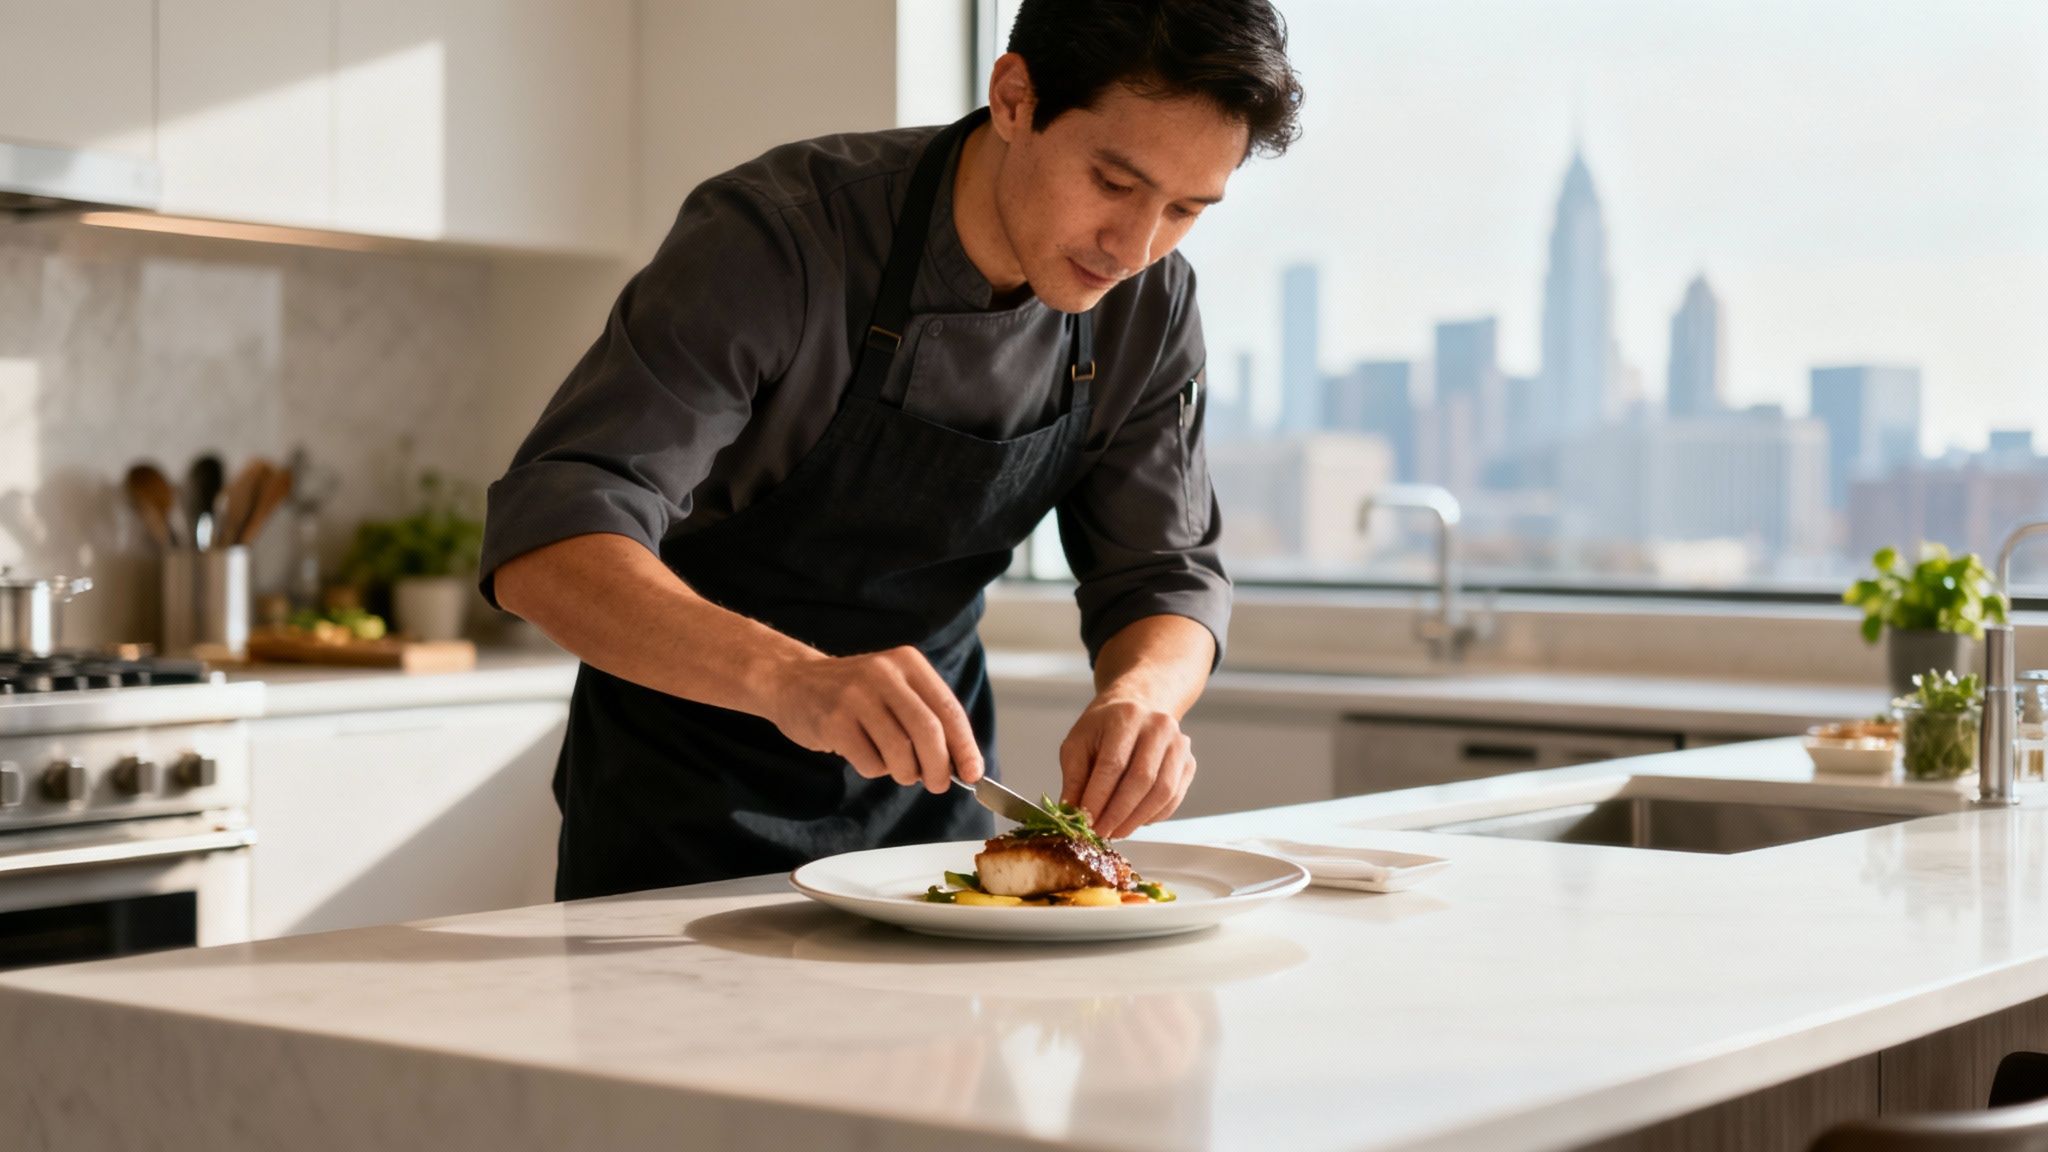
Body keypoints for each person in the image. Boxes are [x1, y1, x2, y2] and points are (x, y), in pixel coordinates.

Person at [481, 0, 1304, 899]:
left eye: (1185, 209)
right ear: (1015, 97)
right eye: (1112, 182)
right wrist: (792, 676)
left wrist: (1141, 696)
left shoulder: (1151, 301)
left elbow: (1168, 573)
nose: (1134, 247)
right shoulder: (776, 239)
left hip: (927, 829)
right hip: (676, 823)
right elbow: (549, 544)